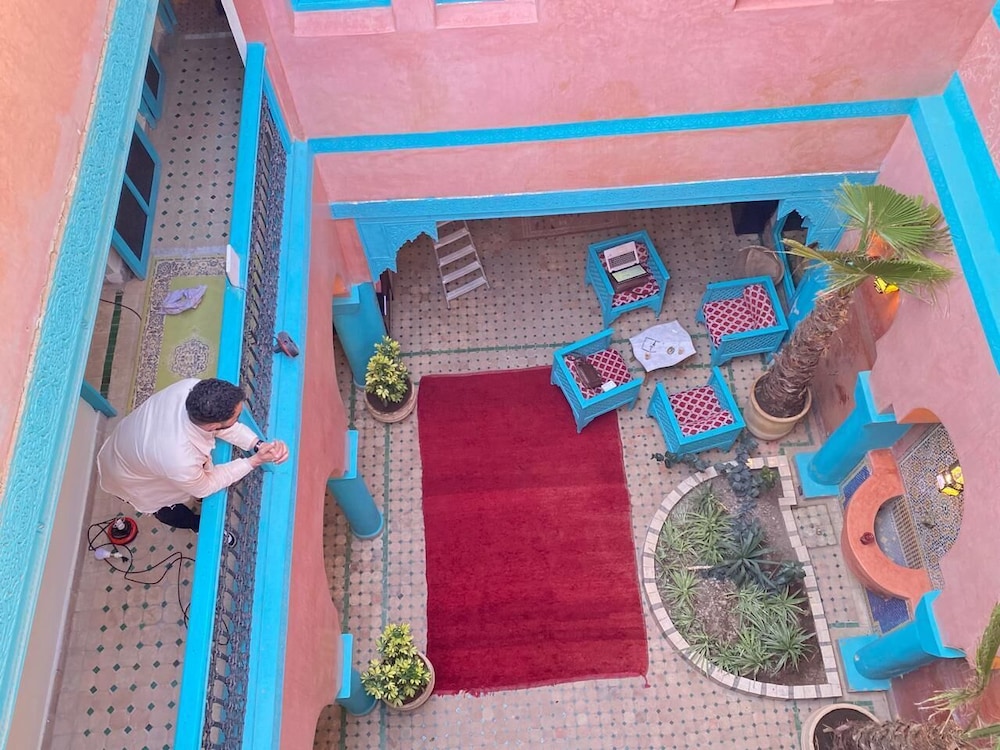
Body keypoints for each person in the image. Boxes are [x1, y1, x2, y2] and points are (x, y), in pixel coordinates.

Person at [97, 378, 289, 540]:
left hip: (128, 442)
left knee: (189, 480)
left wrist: (257, 444)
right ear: (213, 426)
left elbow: (225, 427)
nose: (239, 419)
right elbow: (206, 486)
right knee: (165, 508)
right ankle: (196, 524)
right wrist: (253, 461)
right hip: (128, 477)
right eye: (237, 416)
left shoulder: (192, 389)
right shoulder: (180, 458)